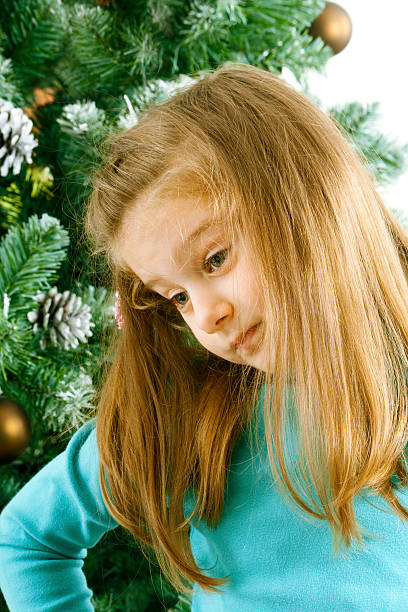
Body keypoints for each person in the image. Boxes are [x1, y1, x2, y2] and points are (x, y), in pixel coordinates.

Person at [1, 62, 408, 611]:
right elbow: (24, 539)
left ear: (308, 200)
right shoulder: (187, 415)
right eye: (178, 297)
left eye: (215, 259)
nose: (205, 316)